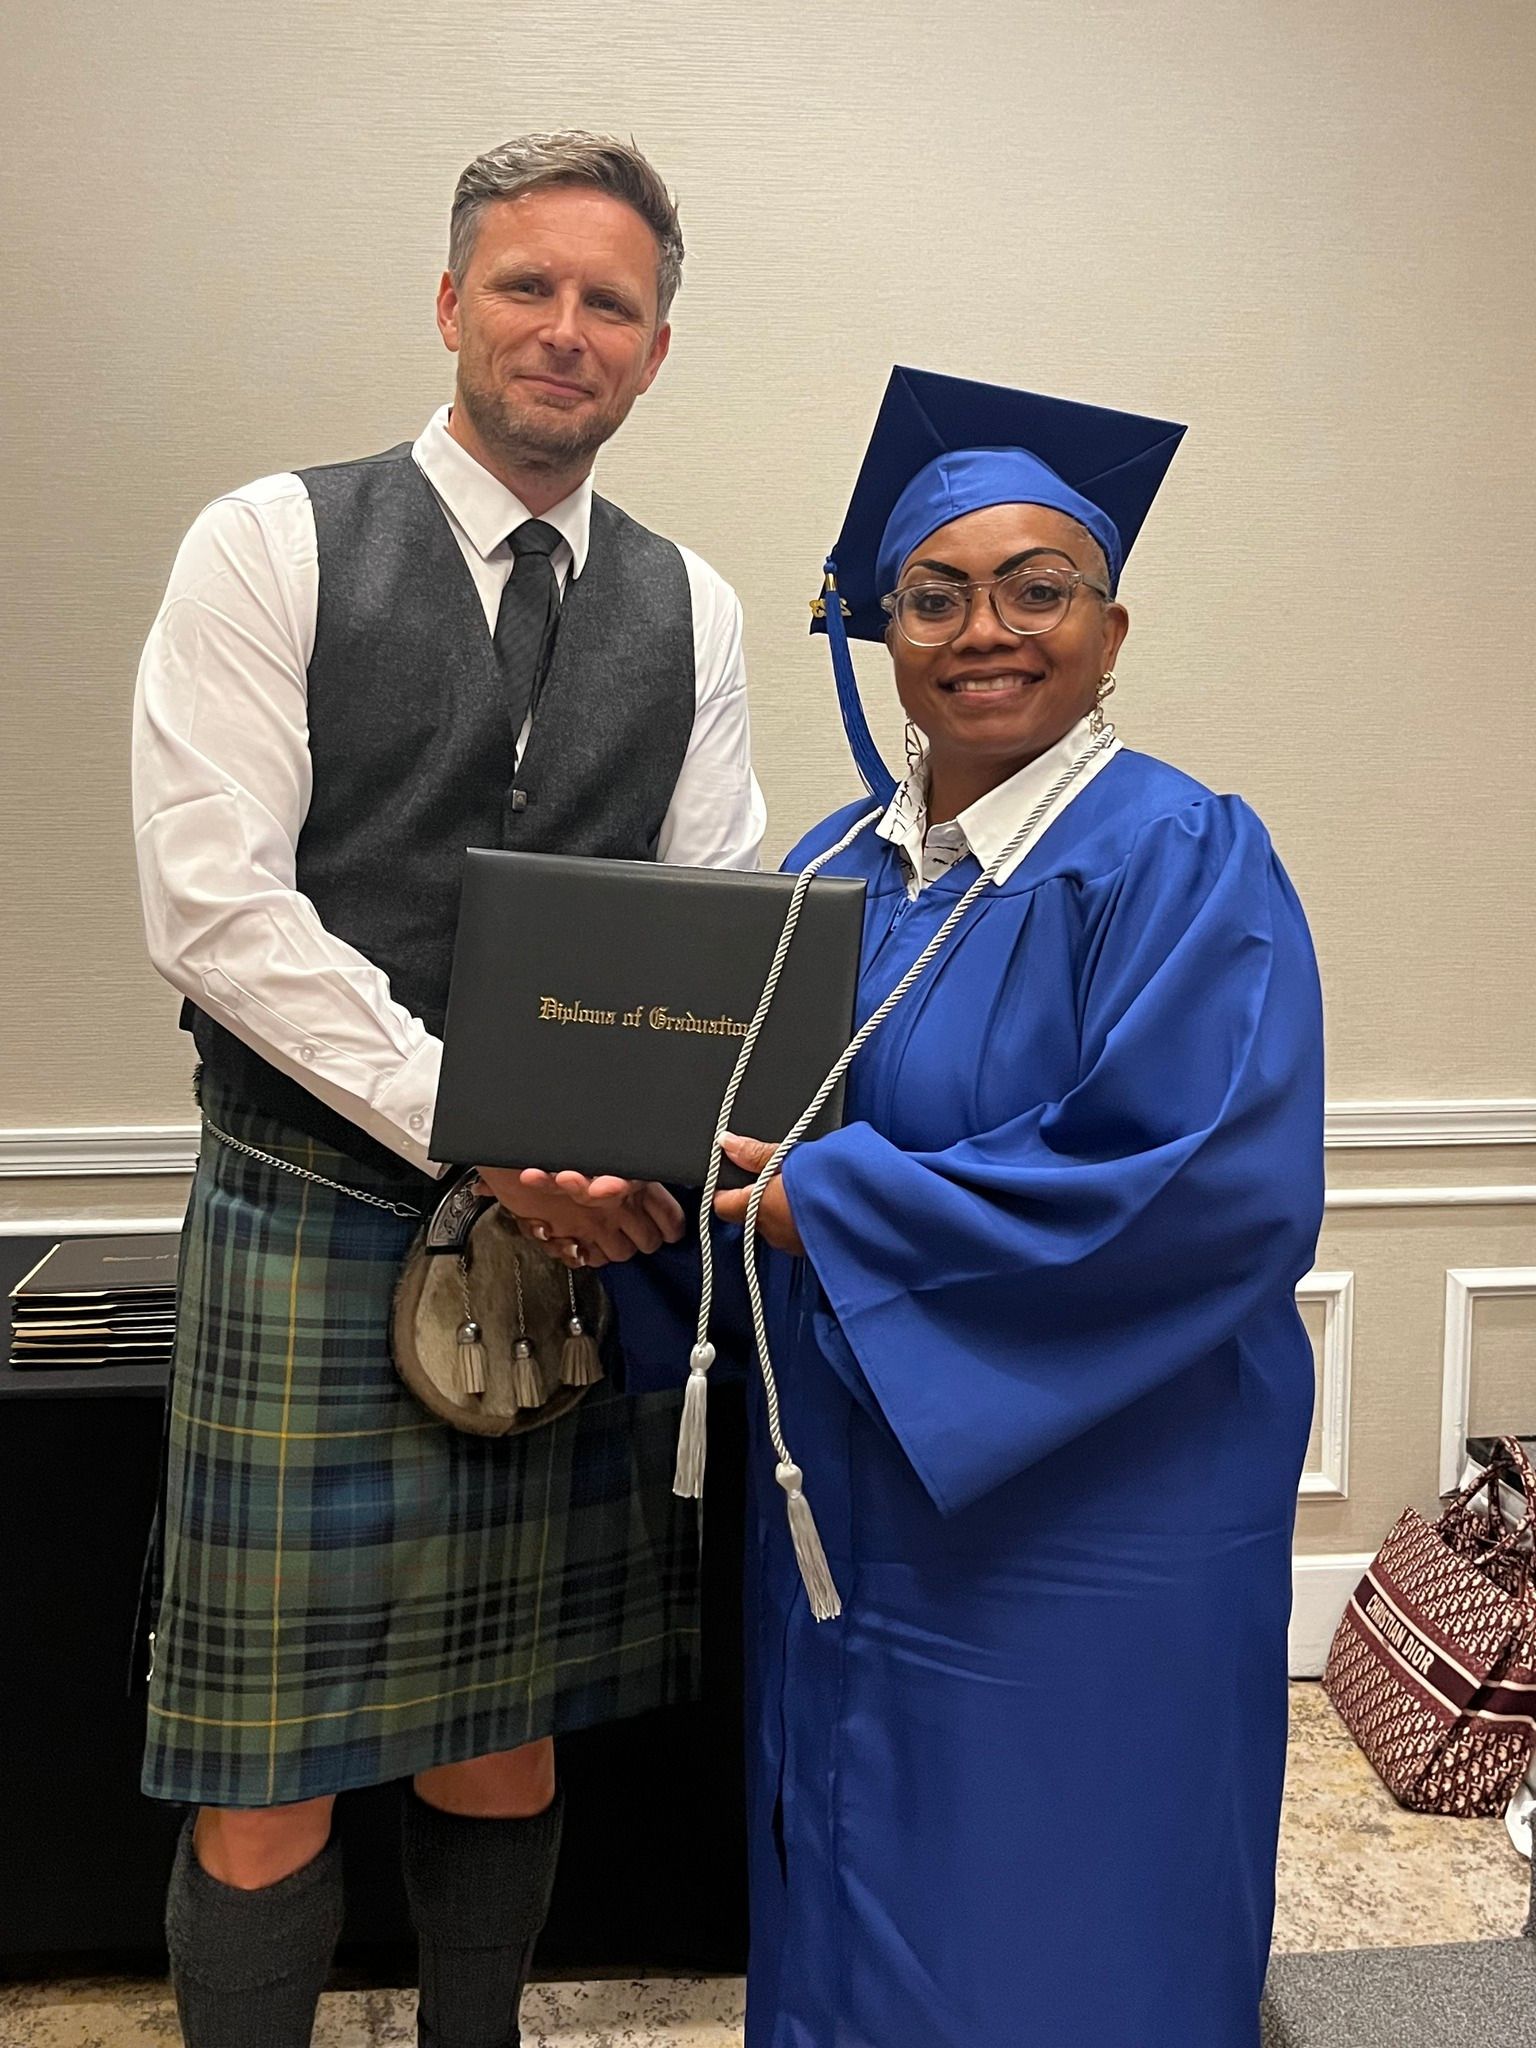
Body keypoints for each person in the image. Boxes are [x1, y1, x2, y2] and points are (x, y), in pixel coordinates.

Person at [601, 366, 1325, 2047]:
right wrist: (628, 1204)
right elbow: (734, 1155)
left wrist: (830, 1212)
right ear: (878, 626)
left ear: (1112, 625)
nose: (985, 628)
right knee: (855, 1881)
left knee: (1061, 1907)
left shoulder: (1180, 857)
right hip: (854, 1523)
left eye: (1037, 588)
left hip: (1088, 1538)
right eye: (935, 594)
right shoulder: (829, 874)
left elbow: (1196, 1185)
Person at [130, 131, 764, 2048]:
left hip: (567, 1242)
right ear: (450, 303)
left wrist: (620, 1157)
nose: (565, 330)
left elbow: (703, 926)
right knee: (262, 1780)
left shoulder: (696, 610)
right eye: (527, 286)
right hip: (313, 1211)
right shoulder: (268, 540)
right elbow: (215, 909)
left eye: (612, 303)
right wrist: (486, 1128)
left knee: (502, 1734)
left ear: (657, 348)